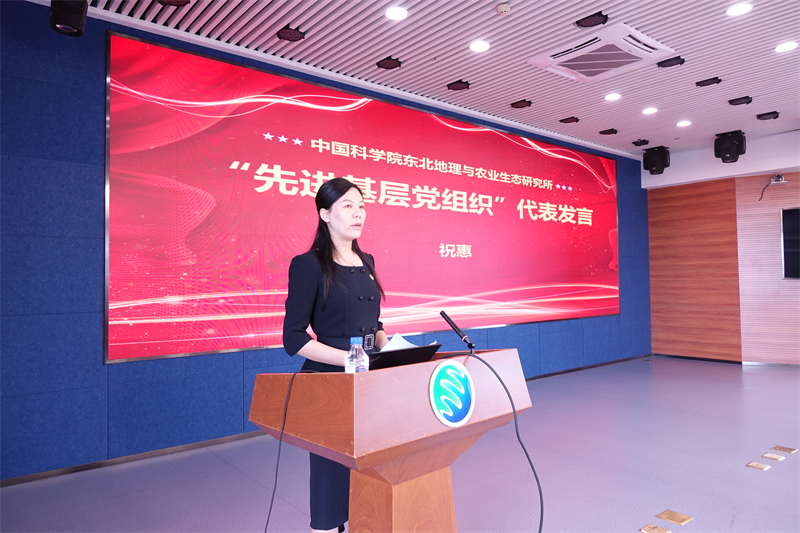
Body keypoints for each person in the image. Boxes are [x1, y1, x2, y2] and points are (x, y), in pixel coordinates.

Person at [283, 178, 389, 533]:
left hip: (371, 378)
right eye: (347, 206)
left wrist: (390, 348)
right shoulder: (308, 265)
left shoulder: (367, 260)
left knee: (371, 463)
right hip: (330, 380)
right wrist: (349, 360)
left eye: (361, 206)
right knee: (332, 470)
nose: (358, 214)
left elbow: (375, 323)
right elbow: (293, 338)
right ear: (325, 214)